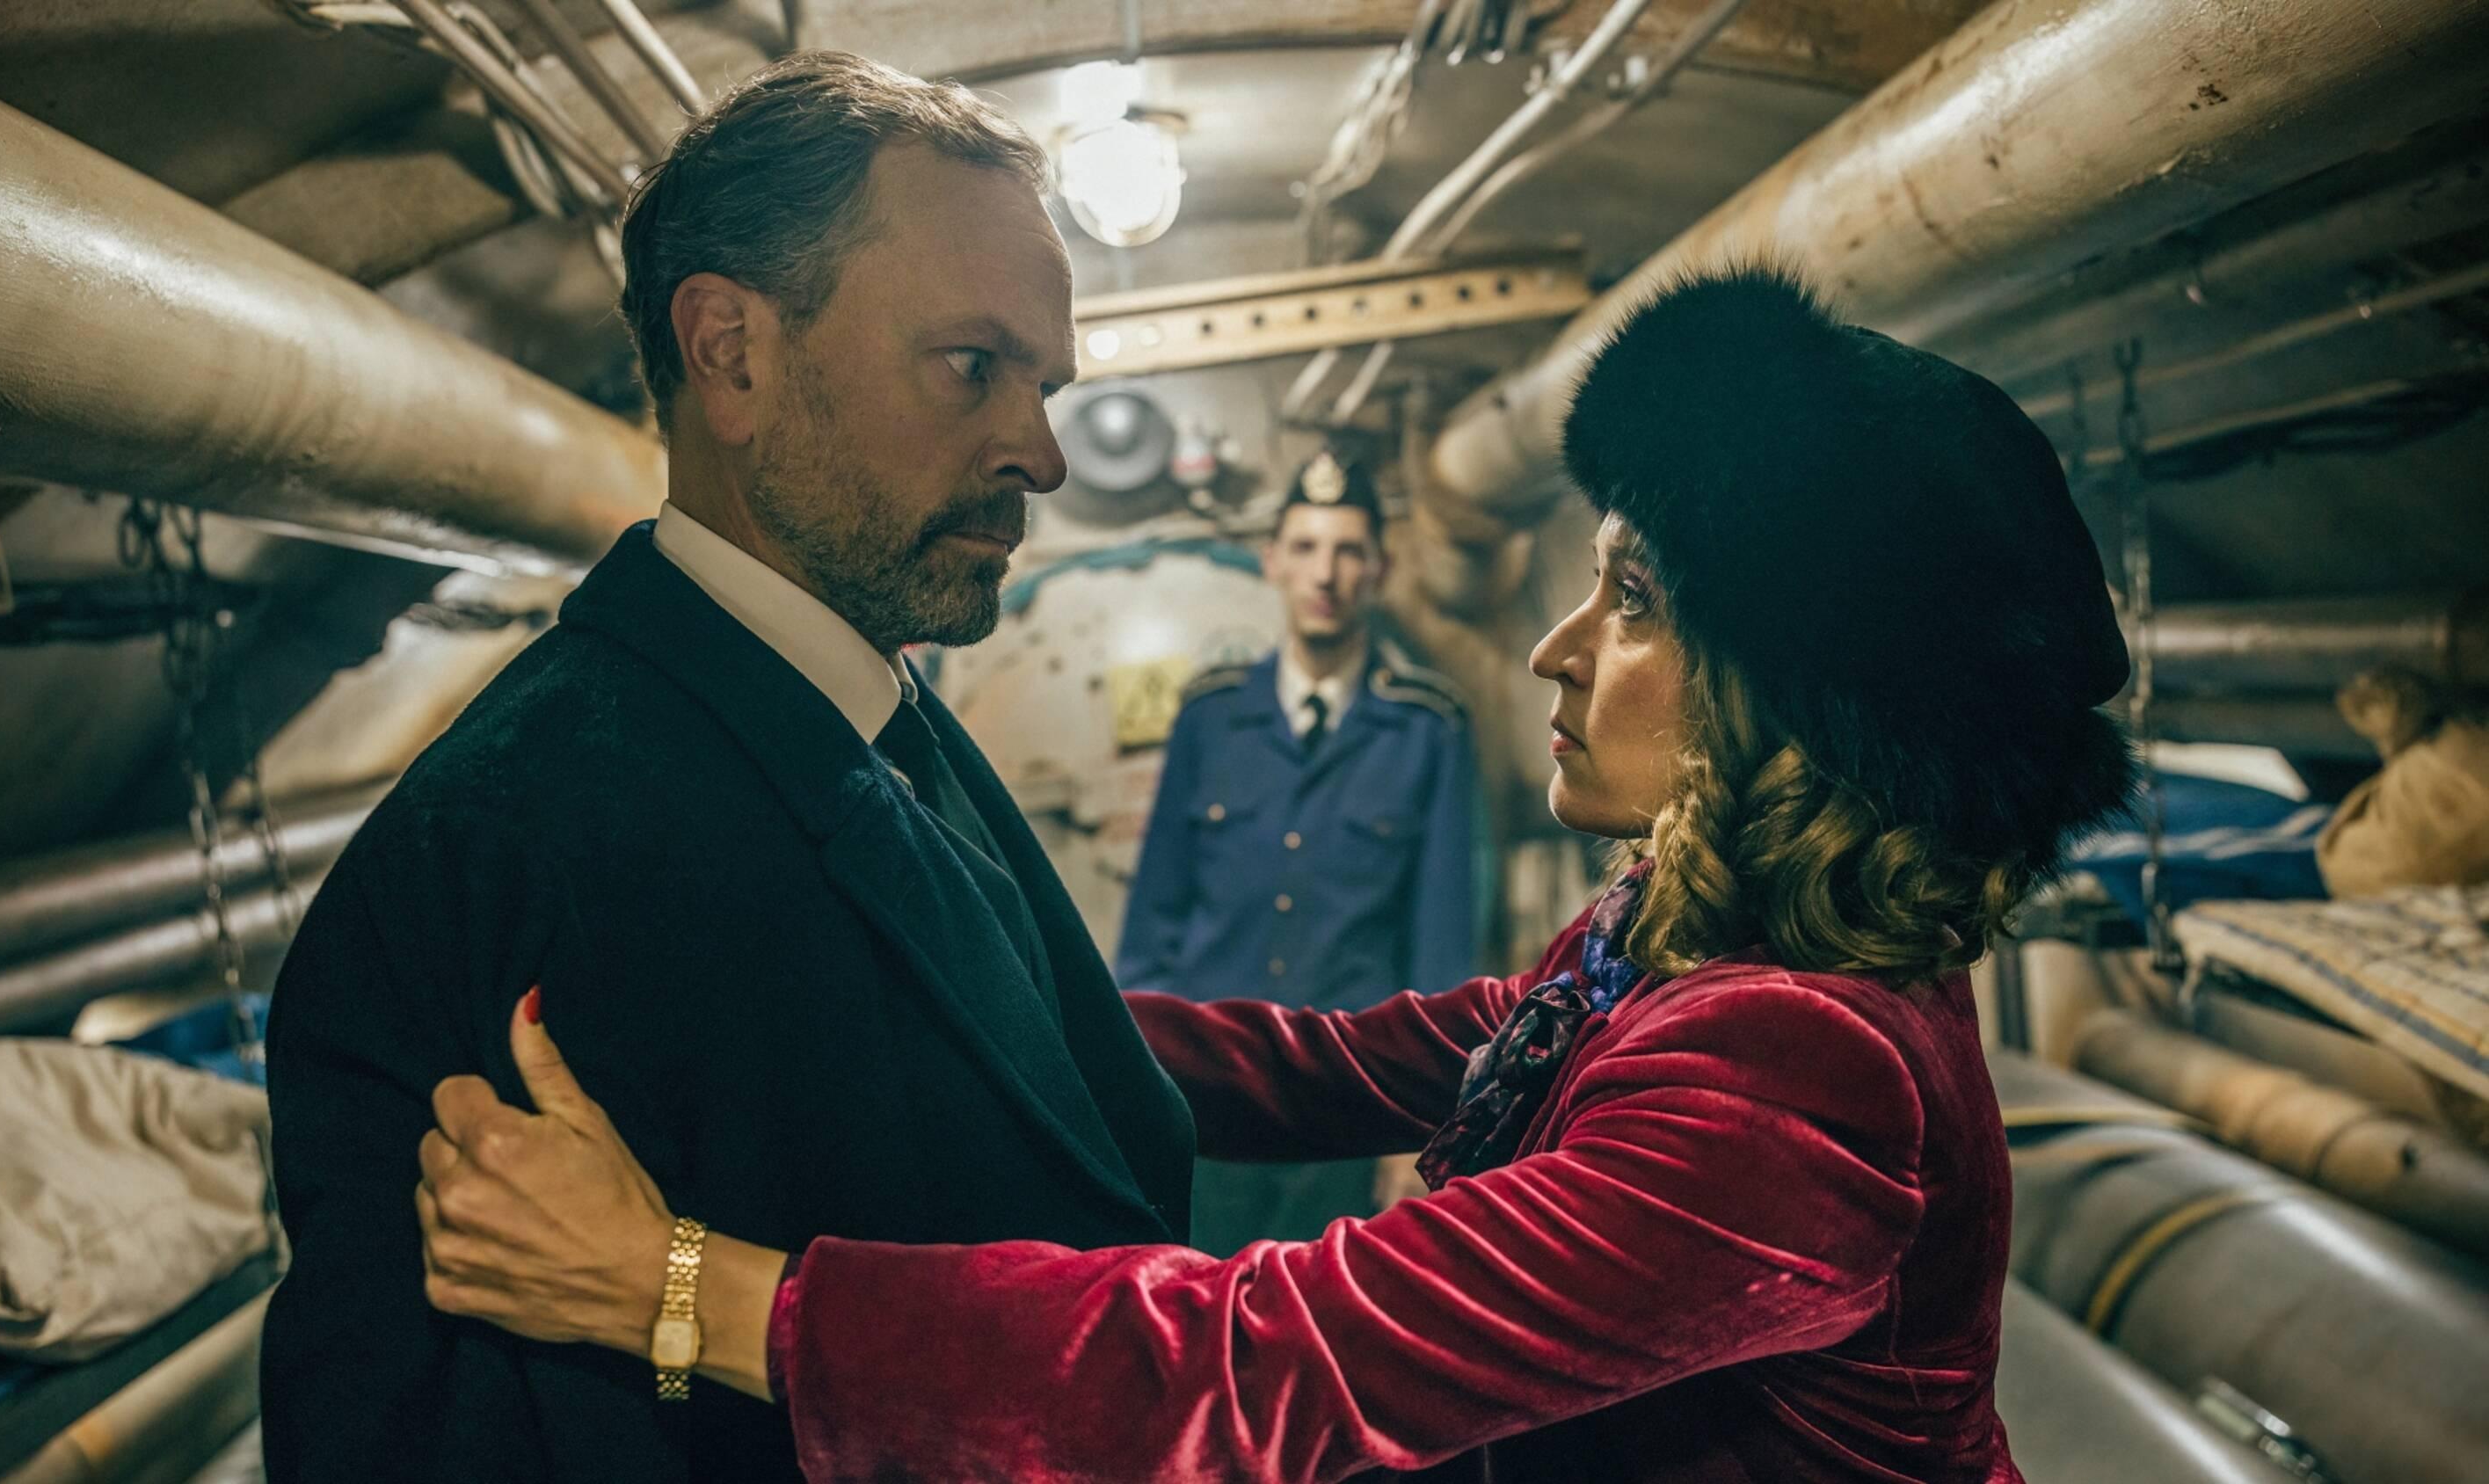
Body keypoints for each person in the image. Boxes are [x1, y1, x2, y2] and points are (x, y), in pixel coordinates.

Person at [409, 264, 2134, 1482]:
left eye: (1636, 602)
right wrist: (918, 1010)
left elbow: (1253, 1366)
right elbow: (1346, 1054)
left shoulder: (1795, 1075)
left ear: (1801, 701)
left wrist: (676, 1290)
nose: (1556, 648)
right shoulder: (1690, 949)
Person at [258, 53, 1197, 1484]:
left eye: (1044, 384)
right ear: (732, 353)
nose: (1042, 453)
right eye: (973, 367)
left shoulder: (877, 721)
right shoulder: (510, 844)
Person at [1117, 449, 1481, 1252]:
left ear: (1380, 569)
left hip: (1349, 1117)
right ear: (1272, 560)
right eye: (1307, 547)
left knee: (1330, 1323)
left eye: (1349, 551)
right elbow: (1153, 924)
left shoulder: (1427, 729)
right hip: (1206, 1106)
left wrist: (1423, 1126)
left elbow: (1442, 950)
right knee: (1192, 1308)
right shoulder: (1211, 718)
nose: (1327, 574)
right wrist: (1135, 1092)